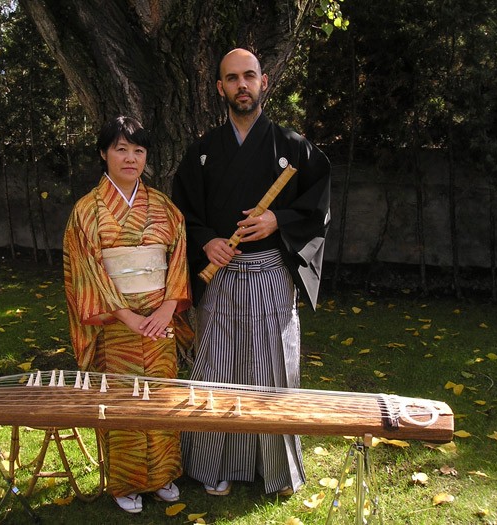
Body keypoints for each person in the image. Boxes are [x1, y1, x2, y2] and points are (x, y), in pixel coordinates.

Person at [171, 48, 331, 497]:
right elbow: (181, 210)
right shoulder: (201, 152)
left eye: (249, 76)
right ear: (220, 87)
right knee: (216, 366)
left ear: (263, 82)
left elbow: (318, 201)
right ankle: (211, 467)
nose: (242, 85)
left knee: (274, 368)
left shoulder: (293, 146)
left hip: (269, 271)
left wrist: (277, 219)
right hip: (220, 272)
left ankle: (275, 469)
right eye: (232, 78)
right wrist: (206, 240)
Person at [63, 115, 191, 514]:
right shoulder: (86, 212)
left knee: (162, 399)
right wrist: (125, 315)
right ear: (104, 154)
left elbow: (178, 260)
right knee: (121, 403)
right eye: (121, 148)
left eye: (138, 150)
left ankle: (164, 475)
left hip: (159, 322)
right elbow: (86, 270)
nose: (130, 158)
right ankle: (125, 482)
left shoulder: (165, 208)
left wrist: (168, 308)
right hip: (116, 327)